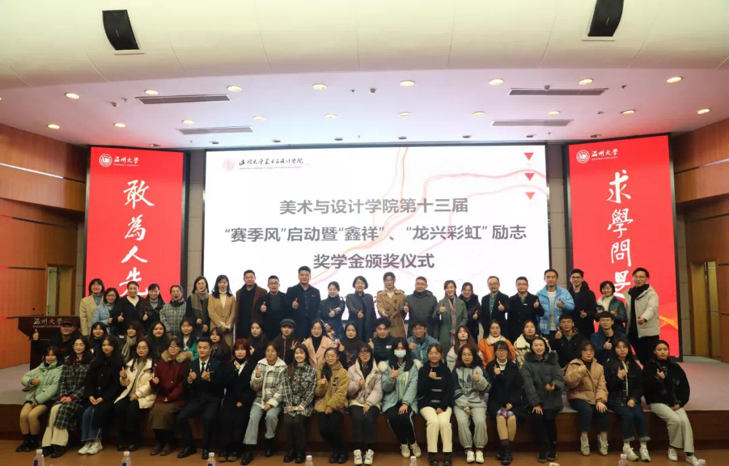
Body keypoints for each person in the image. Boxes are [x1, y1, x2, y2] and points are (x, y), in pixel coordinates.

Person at [643, 340, 699, 466]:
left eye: (665, 349)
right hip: (657, 401)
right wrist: (658, 379)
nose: (663, 352)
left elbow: (684, 387)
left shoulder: (675, 367)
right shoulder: (649, 366)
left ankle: (690, 454)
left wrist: (681, 402)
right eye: (659, 349)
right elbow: (646, 388)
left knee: (685, 422)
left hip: (674, 402)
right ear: (654, 351)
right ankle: (673, 447)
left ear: (668, 351)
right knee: (675, 420)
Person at [41, 336, 92, 458]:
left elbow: (88, 385)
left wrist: (72, 398)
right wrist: (63, 395)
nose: (78, 347)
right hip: (65, 396)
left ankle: (59, 444)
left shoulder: (91, 362)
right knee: (54, 409)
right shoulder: (68, 360)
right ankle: (47, 443)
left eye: (81, 345)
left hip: (80, 398)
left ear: (85, 346)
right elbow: (62, 381)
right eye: (76, 345)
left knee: (62, 410)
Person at [177, 337, 225, 459]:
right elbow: (185, 386)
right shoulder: (191, 364)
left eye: (205, 348)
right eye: (199, 348)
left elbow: (222, 386)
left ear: (210, 349)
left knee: (208, 418)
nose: (202, 350)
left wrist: (210, 379)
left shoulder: (217, 364)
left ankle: (206, 448)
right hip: (196, 399)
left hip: (212, 399)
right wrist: (189, 380)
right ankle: (190, 446)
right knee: (181, 418)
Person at [605, 337, 651, 462]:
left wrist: (634, 399)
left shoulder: (634, 365)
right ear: (614, 349)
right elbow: (607, 386)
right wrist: (618, 377)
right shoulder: (609, 364)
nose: (622, 350)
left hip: (631, 400)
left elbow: (640, 386)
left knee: (639, 416)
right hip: (615, 399)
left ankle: (643, 447)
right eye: (618, 347)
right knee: (628, 415)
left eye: (624, 347)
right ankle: (627, 447)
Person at [521, 336, 564, 463]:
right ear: (531, 347)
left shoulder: (553, 361)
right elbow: (528, 386)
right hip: (535, 400)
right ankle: (542, 448)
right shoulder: (527, 364)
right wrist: (536, 403)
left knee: (549, 418)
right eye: (536, 345)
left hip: (552, 398)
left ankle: (553, 446)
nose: (539, 347)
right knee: (538, 418)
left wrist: (554, 385)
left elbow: (559, 378)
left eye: (541, 345)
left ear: (545, 347)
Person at [78, 336, 123, 456]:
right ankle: (87, 441)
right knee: (86, 412)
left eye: (109, 345)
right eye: (104, 345)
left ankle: (97, 441)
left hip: (109, 397)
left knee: (97, 412)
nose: (106, 347)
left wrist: (103, 397)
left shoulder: (118, 362)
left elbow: (116, 385)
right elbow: (89, 381)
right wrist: (90, 395)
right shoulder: (96, 361)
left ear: (114, 347)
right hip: (94, 396)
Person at [148, 336, 192, 456]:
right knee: (154, 411)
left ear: (180, 348)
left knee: (165, 412)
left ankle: (169, 442)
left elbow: (183, 385)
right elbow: (156, 384)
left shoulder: (185, 363)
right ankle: (159, 441)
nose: (173, 349)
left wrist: (170, 397)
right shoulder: (161, 363)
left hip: (178, 398)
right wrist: (154, 382)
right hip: (162, 396)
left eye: (176, 346)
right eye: (170, 346)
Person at [565, 340, 609, 456]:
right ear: (580, 352)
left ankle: (603, 439)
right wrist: (578, 372)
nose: (588, 353)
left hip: (594, 397)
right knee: (587, 410)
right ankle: (584, 439)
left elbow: (602, 386)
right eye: (585, 350)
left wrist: (600, 400)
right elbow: (569, 383)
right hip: (577, 396)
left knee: (603, 410)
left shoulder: (599, 367)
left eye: (591, 350)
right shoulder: (573, 364)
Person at [243, 344, 287, 462]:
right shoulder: (260, 364)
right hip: (259, 399)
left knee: (271, 416)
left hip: (276, 401)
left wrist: (271, 403)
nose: (270, 353)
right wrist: (257, 378)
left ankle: (269, 442)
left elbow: (282, 389)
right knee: (253, 417)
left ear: (277, 353)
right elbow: (254, 387)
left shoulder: (283, 366)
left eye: (273, 351)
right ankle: (249, 449)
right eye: (268, 351)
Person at [485, 340, 525, 465]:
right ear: (495, 352)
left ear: (508, 352)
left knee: (512, 417)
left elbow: (519, 388)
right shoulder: (490, 366)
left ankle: (506, 449)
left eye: (504, 350)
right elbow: (492, 388)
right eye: (499, 350)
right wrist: (497, 376)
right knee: (501, 417)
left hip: (512, 402)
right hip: (496, 402)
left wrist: (512, 402)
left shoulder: (514, 367)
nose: (501, 353)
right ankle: (506, 449)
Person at [381, 337, 422, 459]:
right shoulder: (387, 365)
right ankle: (403, 444)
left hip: (408, 400)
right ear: (393, 350)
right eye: (397, 348)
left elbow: (413, 385)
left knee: (404, 417)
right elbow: (385, 388)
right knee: (392, 418)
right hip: (392, 400)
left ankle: (413, 443)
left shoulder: (413, 365)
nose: (400, 350)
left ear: (406, 350)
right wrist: (391, 378)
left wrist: (406, 403)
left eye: (402, 348)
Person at [17, 345, 62, 453]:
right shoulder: (40, 368)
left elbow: (53, 389)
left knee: (32, 415)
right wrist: (31, 382)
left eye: (53, 355)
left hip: (47, 400)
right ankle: (27, 441)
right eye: (48, 355)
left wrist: (37, 400)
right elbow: (24, 378)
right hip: (32, 398)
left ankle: (34, 441)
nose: (50, 357)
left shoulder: (60, 369)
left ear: (57, 356)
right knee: (23, 415)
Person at [114, 339, 157, 452]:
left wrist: (138, 394)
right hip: (129, 394)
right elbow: (125, 383)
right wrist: (123, 377)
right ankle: (122, 438)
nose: (141, 350)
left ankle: (134, 439)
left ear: (149, 349)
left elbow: (150, 385)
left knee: (132, 409)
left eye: (144, 348)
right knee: (119, 406)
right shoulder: (132, 362)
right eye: (139, 348)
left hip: (145, 396)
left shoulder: (153, 364)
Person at [218, 338, 256, 463]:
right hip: (230, 398)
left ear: (247, 351)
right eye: (237, 350)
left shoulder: (252, 365)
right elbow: (224, 383)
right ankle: (224, 448)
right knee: (226, 419)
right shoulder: (229, 364)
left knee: (240, 419)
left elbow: (253, 387)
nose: (240, 352)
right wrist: (235, 371)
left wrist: (243, 401)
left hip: (244, 399)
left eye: (242, 349)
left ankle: (236, 449)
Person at [418, 343, 454, 466]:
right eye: (431, 353)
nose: (433, 355)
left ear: (441, 355)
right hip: (427, 404)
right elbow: (420, 391)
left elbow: (450, 391)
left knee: (444, 423)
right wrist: (429, 379)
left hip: (443, 404)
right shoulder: (423, 370)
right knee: (433, 422)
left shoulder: (446, 370)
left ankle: (447, 454)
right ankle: (432, 454)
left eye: (436, 353)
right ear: (427, 355)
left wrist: (442, 406)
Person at [452, 345, 489, 464]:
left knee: (480, 421)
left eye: (469, 354)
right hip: (461, 403)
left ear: (474, 356)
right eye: (464, 354)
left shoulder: (480, 369)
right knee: (462, 422)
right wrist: (465, 406)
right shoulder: (456, 370)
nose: (467, 357)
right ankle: (468, 449)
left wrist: (479, 380)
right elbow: (454, 389)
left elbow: (488, 388)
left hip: (478, 402)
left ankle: (479, 449)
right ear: (460, 356)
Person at [281, 344, 317, 464]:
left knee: (297, 421)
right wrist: (289, 405)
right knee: (288, 422)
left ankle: (300, 451)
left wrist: (302, 405)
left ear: (306, 355)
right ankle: (290, 450)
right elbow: (285, 389)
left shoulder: (312, 370)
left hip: (304, 405)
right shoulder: (288, 369)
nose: (299, 355)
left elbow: (311, 391)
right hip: (290, 404)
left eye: (301, 353)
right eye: (296, 353)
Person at [347, 345, 382, 465]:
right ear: (358, 355)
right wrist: (357, 385)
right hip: (356, 401)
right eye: (362, 353)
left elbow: (378, 391)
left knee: (369, 417)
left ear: (371, 354)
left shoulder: (377, 370)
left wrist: (369, 403)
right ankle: (357, 449)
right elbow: (349, 391)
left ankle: (369, 449)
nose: (365, 355)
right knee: (357, 418)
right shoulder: (351, 369)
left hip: (373, 402)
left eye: (367, 353)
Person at [315, 348, 350, 464]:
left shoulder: (343, 372)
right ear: (325, 357)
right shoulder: (320, 371)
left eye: (332, 356)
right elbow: (318, 393)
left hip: (338, 405)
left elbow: (341, 392)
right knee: (323, 429)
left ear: (337, 357)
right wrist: (322, 385)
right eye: (327, 356)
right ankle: (335, 450)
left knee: (332, 427)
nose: (330, 358)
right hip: (322, 405)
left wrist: (331, 406)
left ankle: (343, 451)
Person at [626, 268, 660, 365]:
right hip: (633, 332)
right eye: (636, 276)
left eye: (641, 277)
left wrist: (644, 318)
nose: (638, 279)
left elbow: (652, 308)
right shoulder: (629, 292)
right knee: (641, 359)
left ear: (647, 278)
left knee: (651, 359)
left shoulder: (651, 294)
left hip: (647, 333)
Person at [536, 269, 575, 339]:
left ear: (557, 279)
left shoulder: (564, 292)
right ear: (544, 279)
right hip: (544, 329)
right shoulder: (539, 294)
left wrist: (563, 305)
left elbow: (572, 307)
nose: (550, 279)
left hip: (561, 328)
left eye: (553, 277)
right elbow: (536, 314)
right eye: (548, 277)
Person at [286, 266, 322, 339]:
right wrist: (292, 306)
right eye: (302, 275)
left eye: (306, 275)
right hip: (296, 327)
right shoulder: (291, 290)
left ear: (310, 276)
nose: (304, 277)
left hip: (312, 328)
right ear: (298, 277)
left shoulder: (316, 291)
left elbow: (318, 309)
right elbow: (285, 308)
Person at [507, 277, 543, 343]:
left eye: (523, 284)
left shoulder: (534, 298)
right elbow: (509, 318)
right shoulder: (511, 299)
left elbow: (541, 313)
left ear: (527, 286)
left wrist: (537, 307)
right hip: (515, 332)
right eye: (519, 284)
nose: (521, 286)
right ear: (516, 286)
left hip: (530, 332)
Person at [236, 270, 268, 339]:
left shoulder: (262, 291)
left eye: (251, 277)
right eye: (247, 277)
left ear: (255, 278)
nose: (249, 279)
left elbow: (265, 307)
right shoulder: (239, 292)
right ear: (244, 279)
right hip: (242, 324)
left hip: (256, 325)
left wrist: (261, 308)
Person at [257, 275, 290, 340]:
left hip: (282, 328)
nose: (273, 285)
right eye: (271, 283)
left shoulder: (285, 297)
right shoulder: (263, 298)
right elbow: (257, 308)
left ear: (279, 285)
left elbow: (289, 311)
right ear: (268, 285)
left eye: (275, 283)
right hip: (268, 329)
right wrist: (261, 308)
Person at [436, 280, 467, 350]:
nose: (449, 290)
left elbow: (465, 318)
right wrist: (439, 312)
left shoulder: (461, 302)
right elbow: (434, 317)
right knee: (444, 353)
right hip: (445, 333)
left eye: (451, 287)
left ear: (455, 288)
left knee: (459, 352)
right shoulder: (441, 302)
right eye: (447, 288)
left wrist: (458, 329)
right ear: (445, 289)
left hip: (459, 333)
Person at [568, 269, 598, 339]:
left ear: (582, 279)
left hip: (585, 327)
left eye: (578, 277)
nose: (575, 279)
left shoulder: (589, 293)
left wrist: (586, 314)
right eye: (573, 277)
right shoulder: (567, 293)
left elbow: (594, 311)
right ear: (570, 279)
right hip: (570, 327)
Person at [376, 272, 406, 338]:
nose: (389, 282)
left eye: (391, 280)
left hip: (397, 323)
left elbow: (403, 308)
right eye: (387, 280)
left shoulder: (401, 293)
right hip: (386, 323)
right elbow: (379, 306)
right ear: (384, 281)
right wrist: (383, 312)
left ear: (394, 281)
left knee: (399, 342)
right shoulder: (380, 294)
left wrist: (404, 309)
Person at [347, 276, 377, 343]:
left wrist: (375, 329)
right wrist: (357, 312)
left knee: (367, 347)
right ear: (354, 285)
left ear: (365, 285)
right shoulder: (350, 296)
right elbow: (350, 308)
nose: (360, 285)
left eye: (362, 283)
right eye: (357, 283)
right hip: (355, 327)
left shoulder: (369, 297)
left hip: (368, 328)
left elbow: (373, 314)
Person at [209, 275, 236, 346]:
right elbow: (211, 312)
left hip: (227, 329)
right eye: (220, 282)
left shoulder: (232, 297)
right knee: (215, 347)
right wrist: (221, 325)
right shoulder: (211, 296)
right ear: (217, 284)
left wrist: (227, 326)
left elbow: (233, 313)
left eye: (224, 282)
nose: (222, 284)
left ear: (227, 284)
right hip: (215, 327)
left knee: (227, 347)